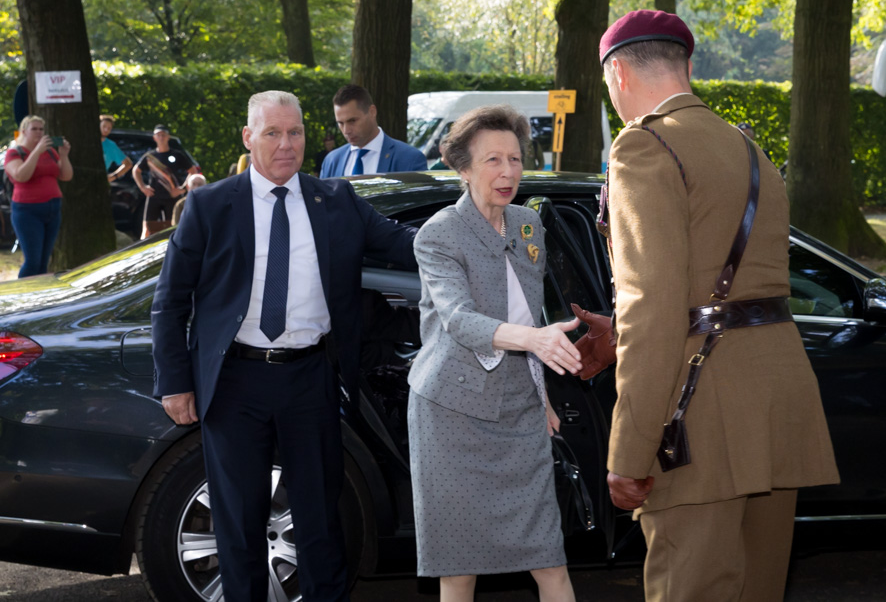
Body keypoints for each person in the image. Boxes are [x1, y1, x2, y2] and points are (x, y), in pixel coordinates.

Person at [597, 10, 839, 601]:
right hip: (779, 401)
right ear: (687, 66)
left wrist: (628, 453)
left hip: (701, 412)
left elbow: (650, 309)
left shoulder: (644, 146)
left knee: (691, 587)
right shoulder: (748, 148)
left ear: (620, 73)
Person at [151, 90, 417, 602]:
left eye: (294, 133)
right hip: (233, 382)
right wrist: (175, 382)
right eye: (272, 133)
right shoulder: (210, 206)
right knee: (238, 523)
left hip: (309, 379)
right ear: (249, 138)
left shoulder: (336, 202)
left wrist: (478, 220)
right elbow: (170, 301)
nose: (285, 144)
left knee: (320, 519)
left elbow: (407, 245)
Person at [407, 104, 581, 602]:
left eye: (515, 159)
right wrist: (537, 341)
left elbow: (529, 315)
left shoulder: (528, 224)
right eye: (492, 161)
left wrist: (541, 395)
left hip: (520, 412)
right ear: (462, 168)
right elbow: (458, 320)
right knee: (459, 571)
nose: (507, 172)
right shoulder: (438, 234)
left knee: (551, 562)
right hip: (451, 415)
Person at [3, 115, 73, 277]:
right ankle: (22, 295)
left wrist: (63, 154)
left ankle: (38, 297)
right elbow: (21, 176)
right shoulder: (15, 152)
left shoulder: (50, 152)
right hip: (27, 211)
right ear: (24, 131)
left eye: (41, 129)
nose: (39, 133)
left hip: (52, 209)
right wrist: (36, 152)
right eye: (34, 129)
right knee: (32, 261)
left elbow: (66, 176)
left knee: (43, 261)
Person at [319, 85, 427, 178]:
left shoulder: (409, 159)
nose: (346, 130)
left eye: (352, 121)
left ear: (372, 112)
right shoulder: (332, 161)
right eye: (340, 123)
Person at [131, 124, 198, 237]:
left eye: (163, 135)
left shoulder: (177, 155)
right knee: (147, 227)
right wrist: (143, 187)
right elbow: (136, 170)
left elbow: (193, 171)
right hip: (154, 196)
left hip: (172, 197)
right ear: (154, 138)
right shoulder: (150, 157)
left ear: (168, 137)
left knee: (174, 226)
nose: (161, 137)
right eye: (158, 135)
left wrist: (182, 189)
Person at [100, 114, 131, 182]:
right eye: (104, 126)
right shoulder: (86, 141)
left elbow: (128, 164)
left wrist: (113, 176)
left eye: (109, 128)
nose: (106, 129)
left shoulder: (111, 146)